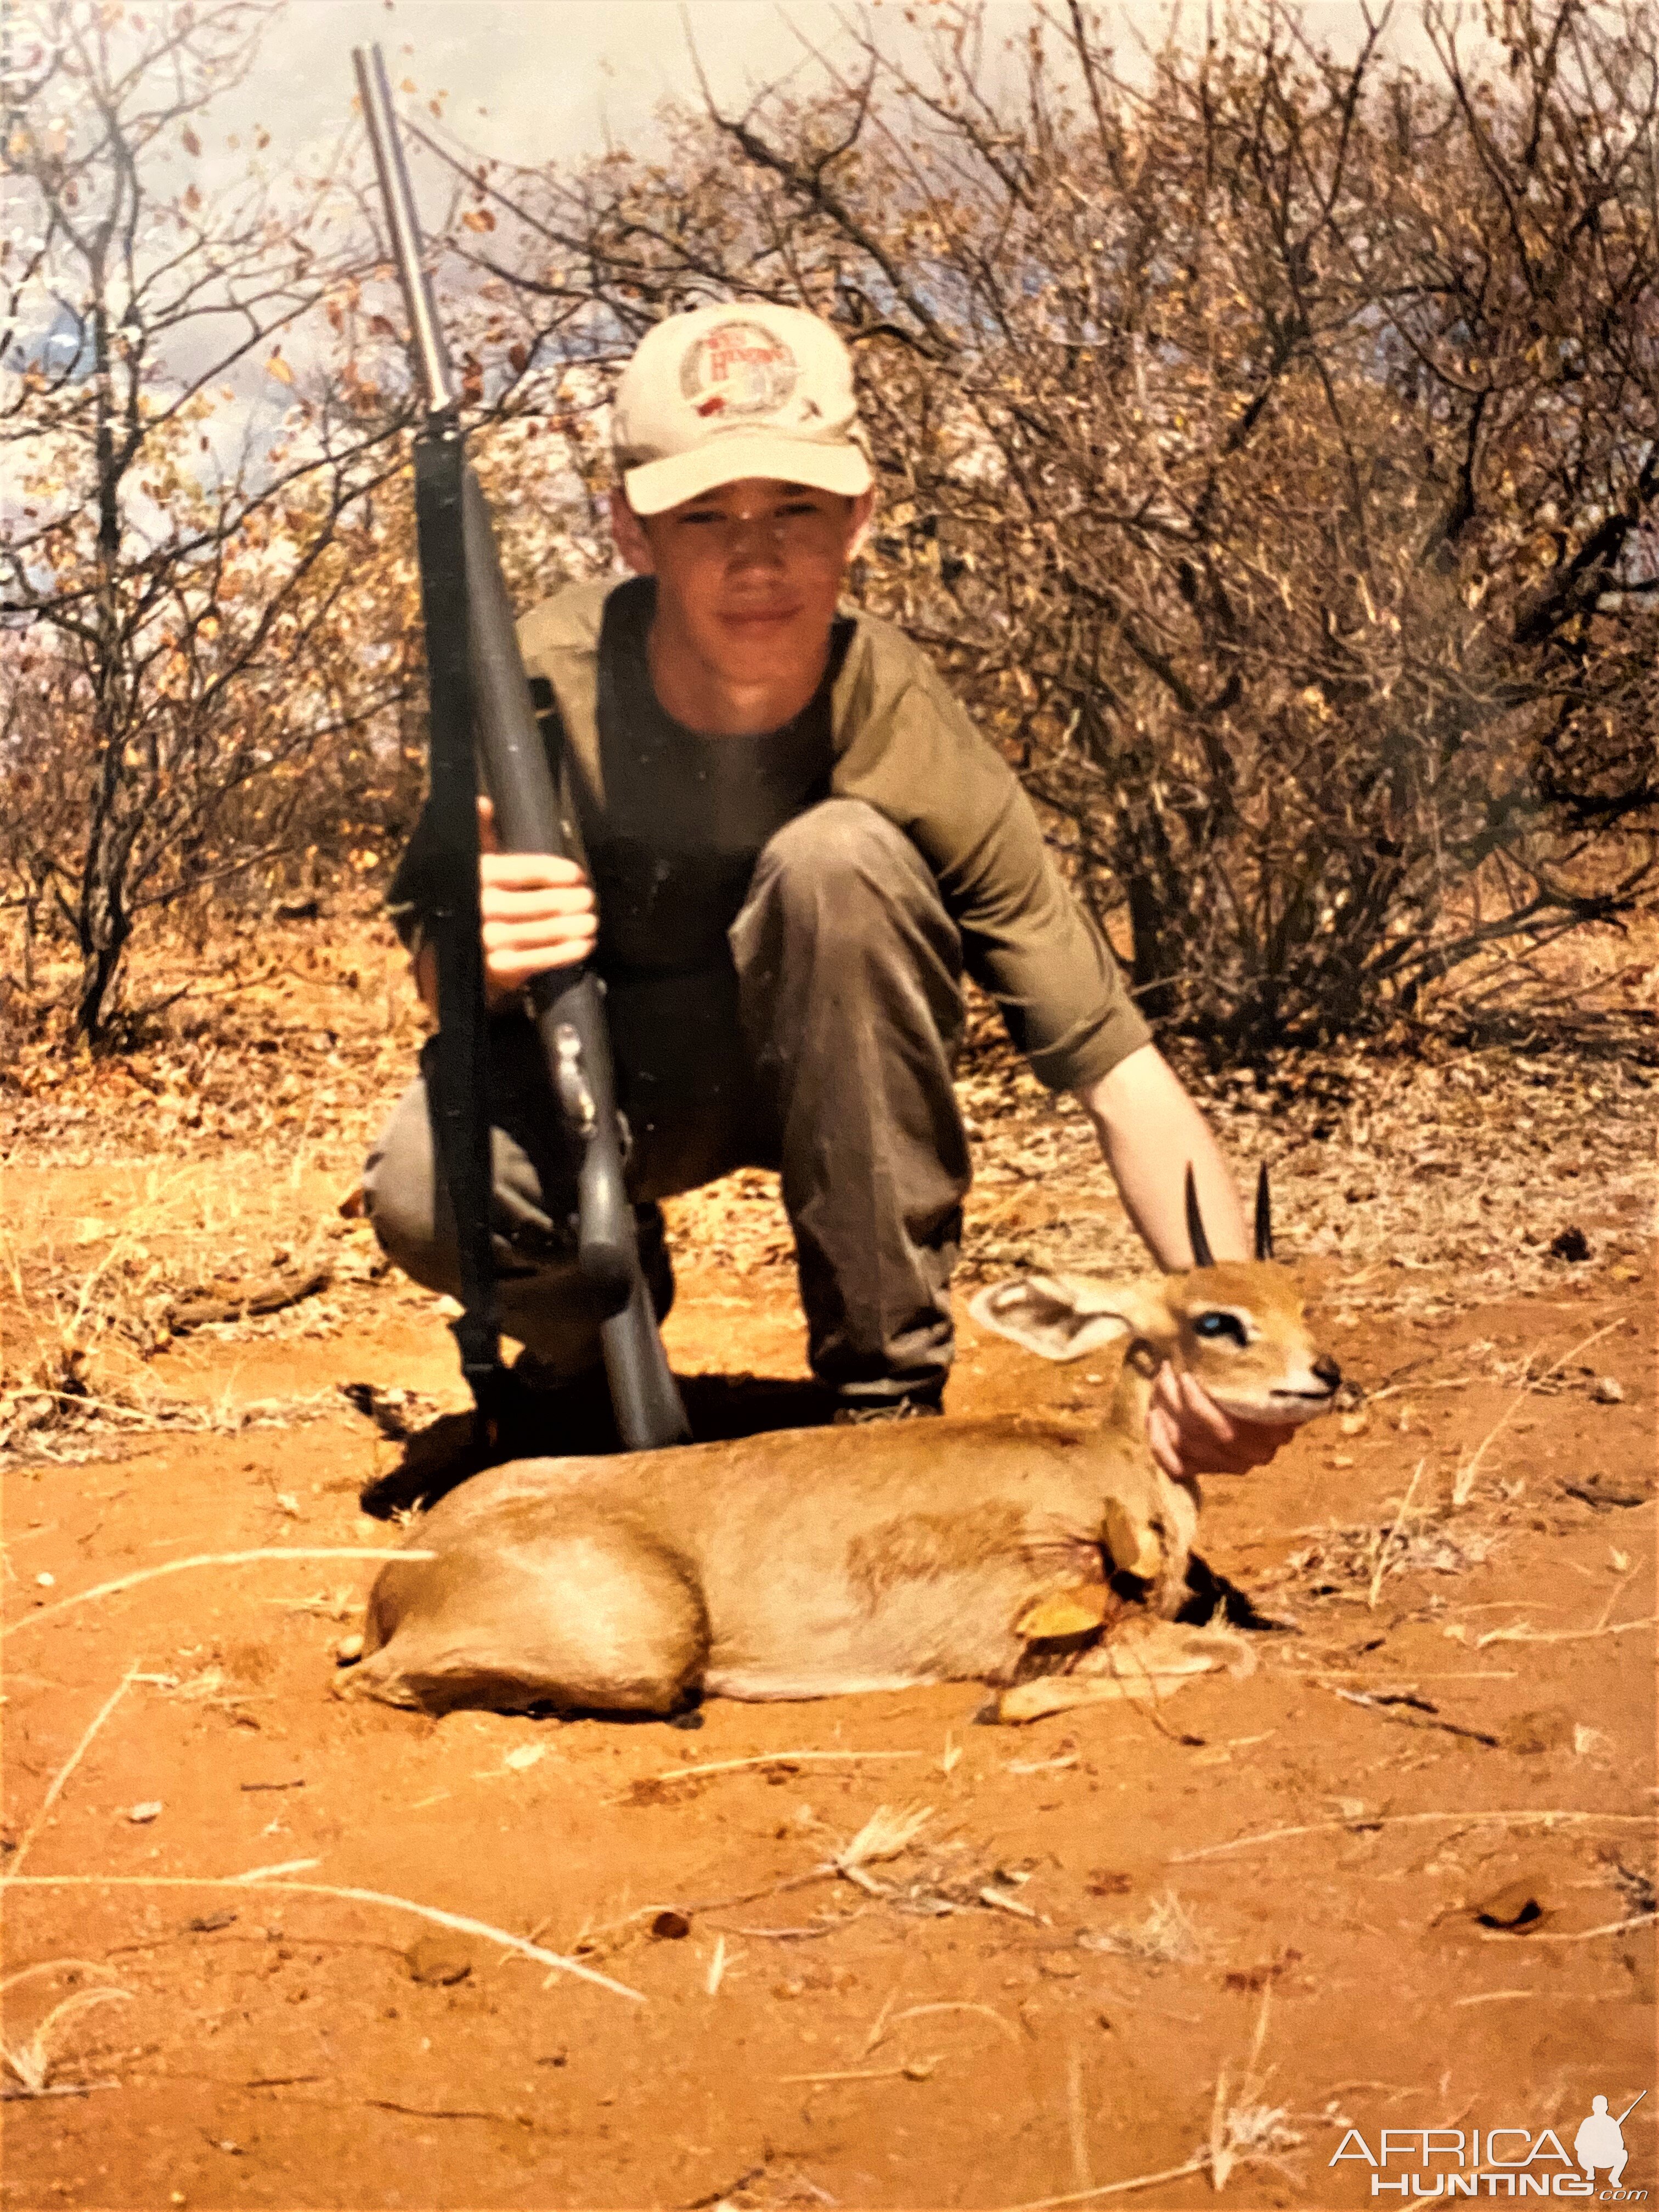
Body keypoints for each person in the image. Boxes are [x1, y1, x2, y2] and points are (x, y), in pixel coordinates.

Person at [365, 301, 1294, 1480]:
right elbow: (441, 983)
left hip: (847, 1088)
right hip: (621, 1090)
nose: (757, 559)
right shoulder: (532, 683)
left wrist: (1218, 1333)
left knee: (840, 858)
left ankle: (881, 1405)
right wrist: (485, 955)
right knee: (426, 1186)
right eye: (705, 516)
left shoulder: (899, 707)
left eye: (795, 509)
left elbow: (1121, 1074)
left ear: (859, 517)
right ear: (631, 532)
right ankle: (580, 1376)